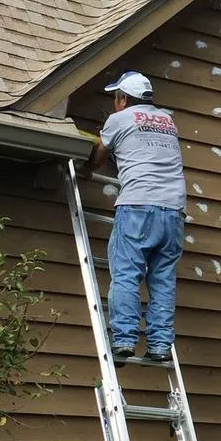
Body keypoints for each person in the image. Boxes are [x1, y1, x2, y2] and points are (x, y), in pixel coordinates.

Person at [87, 70, 186, 363]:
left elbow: (98, 156)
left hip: (138, 205)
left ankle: (125, 340)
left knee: (127, 274)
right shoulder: (167, 121)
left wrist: (86, 167)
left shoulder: (118, 119)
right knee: (163, 280)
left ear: (122, 99)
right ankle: (158, 346)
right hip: (174, 210)